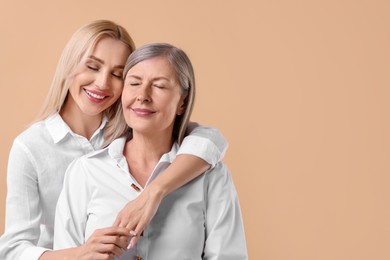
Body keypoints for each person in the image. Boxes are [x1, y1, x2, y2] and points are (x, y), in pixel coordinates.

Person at [0, 21, 228, 260]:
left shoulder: (134, 129)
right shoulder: (31, 147)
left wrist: (154, 192)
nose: (102, 83)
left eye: (118, 75)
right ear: (69, 65)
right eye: (92, 66)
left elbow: (211, 141)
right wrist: (80, 254)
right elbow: (13, 249)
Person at [54, 43, 247, 259]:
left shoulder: (212, 177)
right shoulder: (86, 171)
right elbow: (66, 252)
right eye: (134, 83)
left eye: (160, 86)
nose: (143, 95)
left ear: (182, 102)